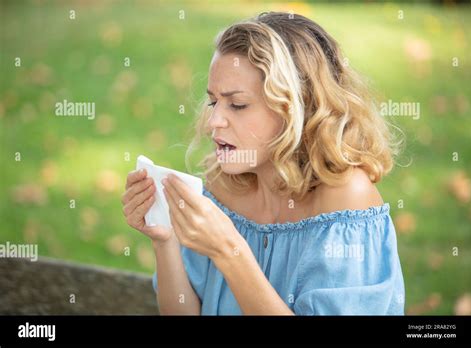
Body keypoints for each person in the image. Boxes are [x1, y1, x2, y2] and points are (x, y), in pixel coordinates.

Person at [121, 12, 405, 315]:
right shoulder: (224, 184)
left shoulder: (346, 202)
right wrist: (164, 240)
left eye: (238, 104)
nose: (213, 122)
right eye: (214, 101)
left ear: (296, 108)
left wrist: (230, 252)